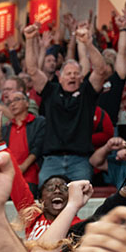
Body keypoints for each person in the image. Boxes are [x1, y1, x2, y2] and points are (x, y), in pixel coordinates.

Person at [24, 21, 107, 183]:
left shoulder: (87, 92)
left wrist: (88, 44)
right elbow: (33, 70)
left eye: (76, 73)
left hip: (80, 161)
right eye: (68, 73)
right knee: (46, 204)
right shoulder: (50, 91)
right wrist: (29, 40)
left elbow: (101, 70)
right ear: (59, 77)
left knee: (82, 205)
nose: (72, 76)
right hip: (51, 161)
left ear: (81, 77)